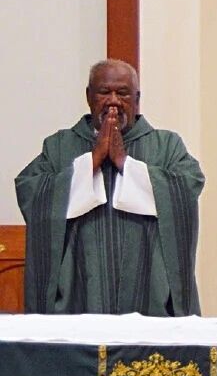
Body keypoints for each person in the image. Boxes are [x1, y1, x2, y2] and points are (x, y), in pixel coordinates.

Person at [15, 59, 204, 315]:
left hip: (149, 288)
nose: (113, 100)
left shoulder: (166, 146)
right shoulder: (60, 146)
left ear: (136, 98)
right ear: (89, 96)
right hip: (77, 289)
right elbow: (31, 190)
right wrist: (92, 161)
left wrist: (124, 162)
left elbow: (188, 186)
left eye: (123, 93)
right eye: (104, 92)